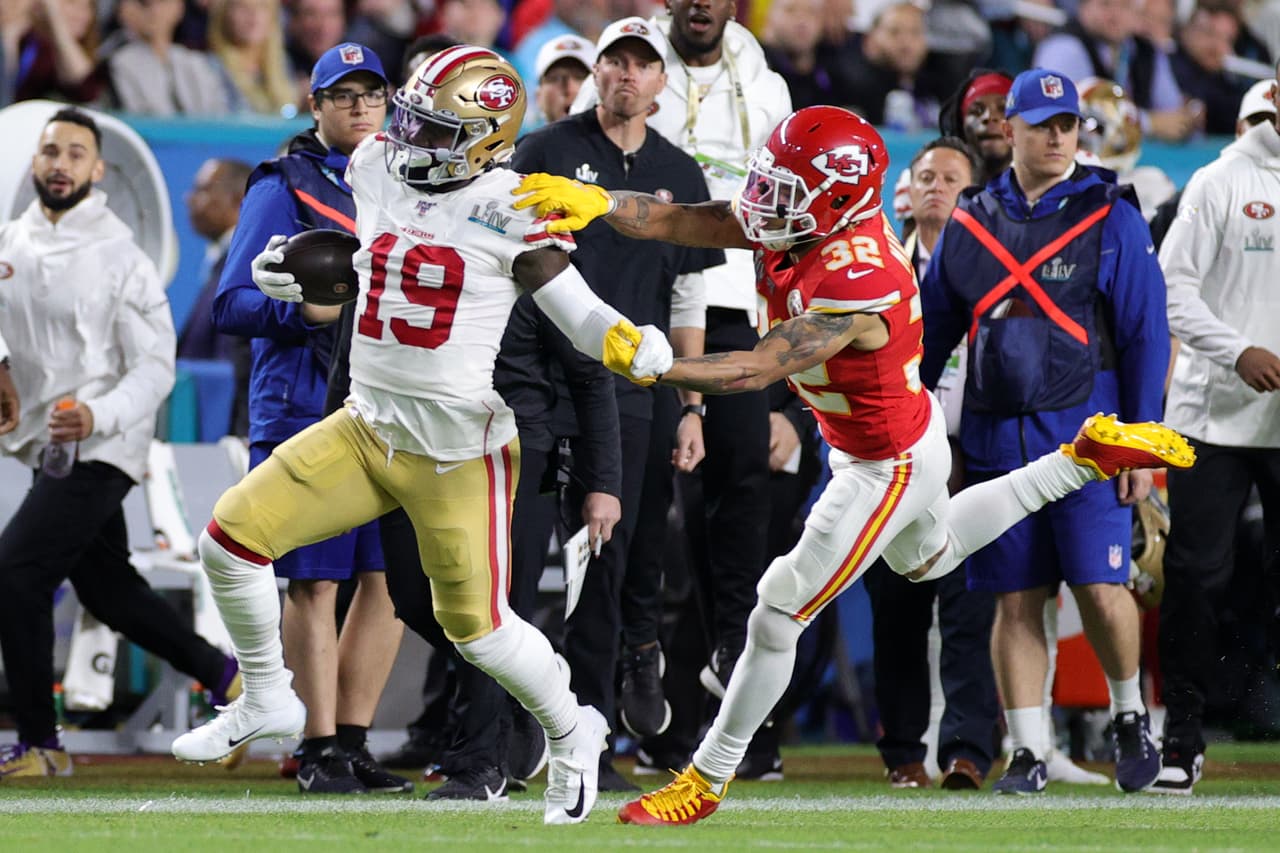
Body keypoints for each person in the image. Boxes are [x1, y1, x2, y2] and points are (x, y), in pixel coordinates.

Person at [510, 104, 1195, 825]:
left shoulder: (854, 273)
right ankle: (1078, 458)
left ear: (832, 201)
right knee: (930, 556)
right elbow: (699, 220)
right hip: (899, 434)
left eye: (784, 189)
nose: (764, 201)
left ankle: (706, 777)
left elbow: (754, 367)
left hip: (883, 463)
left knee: (777, 608)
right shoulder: (808, 218)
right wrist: (602, 204)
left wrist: (658, 364)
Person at [171, 44, 674, 827]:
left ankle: (575, 733)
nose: (408, 141)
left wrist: (632, 342)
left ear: (484, 136)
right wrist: (282, 267)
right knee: (227, 540)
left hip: (457, 452)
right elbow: (353, 263)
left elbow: (575, 313)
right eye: (410, 122)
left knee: (482, 633)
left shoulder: (513, 203)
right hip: (367, 425)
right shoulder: (373, 163)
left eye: (434, 131)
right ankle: (268, 697)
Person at [916, 69, 1173, 795]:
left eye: (1068, 125)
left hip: (1089, 434)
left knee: (1102, 583)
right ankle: (1027, 747)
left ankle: (1129, 715)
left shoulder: (1110, 213)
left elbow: (1146, 335)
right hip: (997, 435)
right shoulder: (972, 218)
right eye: (1043, 124)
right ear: (1012, 131)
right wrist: (907, 431)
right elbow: (932, 335)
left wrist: (1142, 447)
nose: (1059, 136)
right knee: (1015, 596)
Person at [572, 0, 793, 762]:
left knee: (735, 516)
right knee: (628, 518)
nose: (701, 3)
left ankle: (732, 714)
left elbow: (791, 214)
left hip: (728, 311)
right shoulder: (597, 98)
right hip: (620, 319)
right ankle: (610, 690)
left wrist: (785, 384)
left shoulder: (765, 87)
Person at [511, 16, 722, 788]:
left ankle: (590, 732)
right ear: (596, 73)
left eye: (642, 65)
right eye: (614, 63)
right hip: (537, 383)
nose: (626, 75)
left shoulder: (681, 172)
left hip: (635, 390)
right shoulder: (546, 151)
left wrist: (693, 404)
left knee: (608, 559)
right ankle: (510, 728)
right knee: (519, 557)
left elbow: (690, 292)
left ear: (664, 84)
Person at [0, 108, 240, 778]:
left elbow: (157, 366)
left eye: (77, 153)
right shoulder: (10, 243)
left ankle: (43, 744)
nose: (61, 164)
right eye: (52, 151)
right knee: (109, 591)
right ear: (34, 162)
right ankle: (228, 679)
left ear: (98, 170)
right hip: (47, 445)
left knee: (16, 574)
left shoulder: (122, 255)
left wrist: (99, 414)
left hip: (104, 445)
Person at [210, 43, 409, 795]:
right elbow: (233, 303)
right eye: (342, 94)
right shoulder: (284, 181)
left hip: (389, 404)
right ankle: (316, 744)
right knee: (316, 583)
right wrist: (305, 310)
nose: (359, 106)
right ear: (316, 104)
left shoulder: (404, 186)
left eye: (371, 93)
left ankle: (352, 740)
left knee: (386, 579)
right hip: (302, 403)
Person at [1151, 61, 1280, 795]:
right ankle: (1182, 739)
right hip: (1213, 416)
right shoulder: (1219, 180)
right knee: (1198, 578)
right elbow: (1173, 289)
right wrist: (1239, 350)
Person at [866, 136, 1000, 792]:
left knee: (971, 611)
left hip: (974, 459)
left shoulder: (1000, 270)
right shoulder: (876, 267)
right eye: (926, 176)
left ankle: (969, 750)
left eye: (952, 178)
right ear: (908, 191)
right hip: (893, 462)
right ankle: (902, 752)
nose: (937, 187)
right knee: (897, 609)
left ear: (973, 194)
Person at [177, 158, 253, 437]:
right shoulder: (223, 262)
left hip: (222, 431)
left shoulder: (243, 264)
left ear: (237, 200)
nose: (189, 199)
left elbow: (231, 364)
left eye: (203, 190)